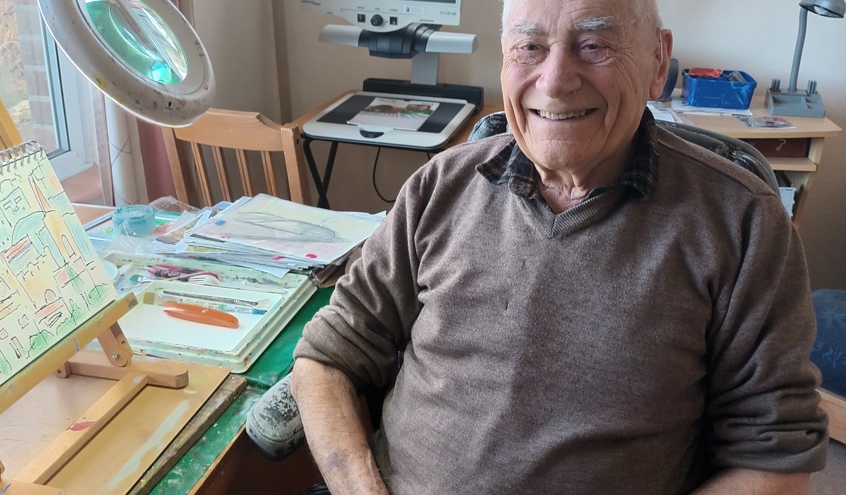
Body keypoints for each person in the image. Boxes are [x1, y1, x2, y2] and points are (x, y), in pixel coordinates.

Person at [290, 0, 829, 493]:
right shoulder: (439, 187)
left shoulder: (742, 221)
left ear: (657, 62)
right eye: (529, 48)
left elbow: (774, 460)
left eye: (594, 46)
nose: (555, 81)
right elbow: (328, 357)